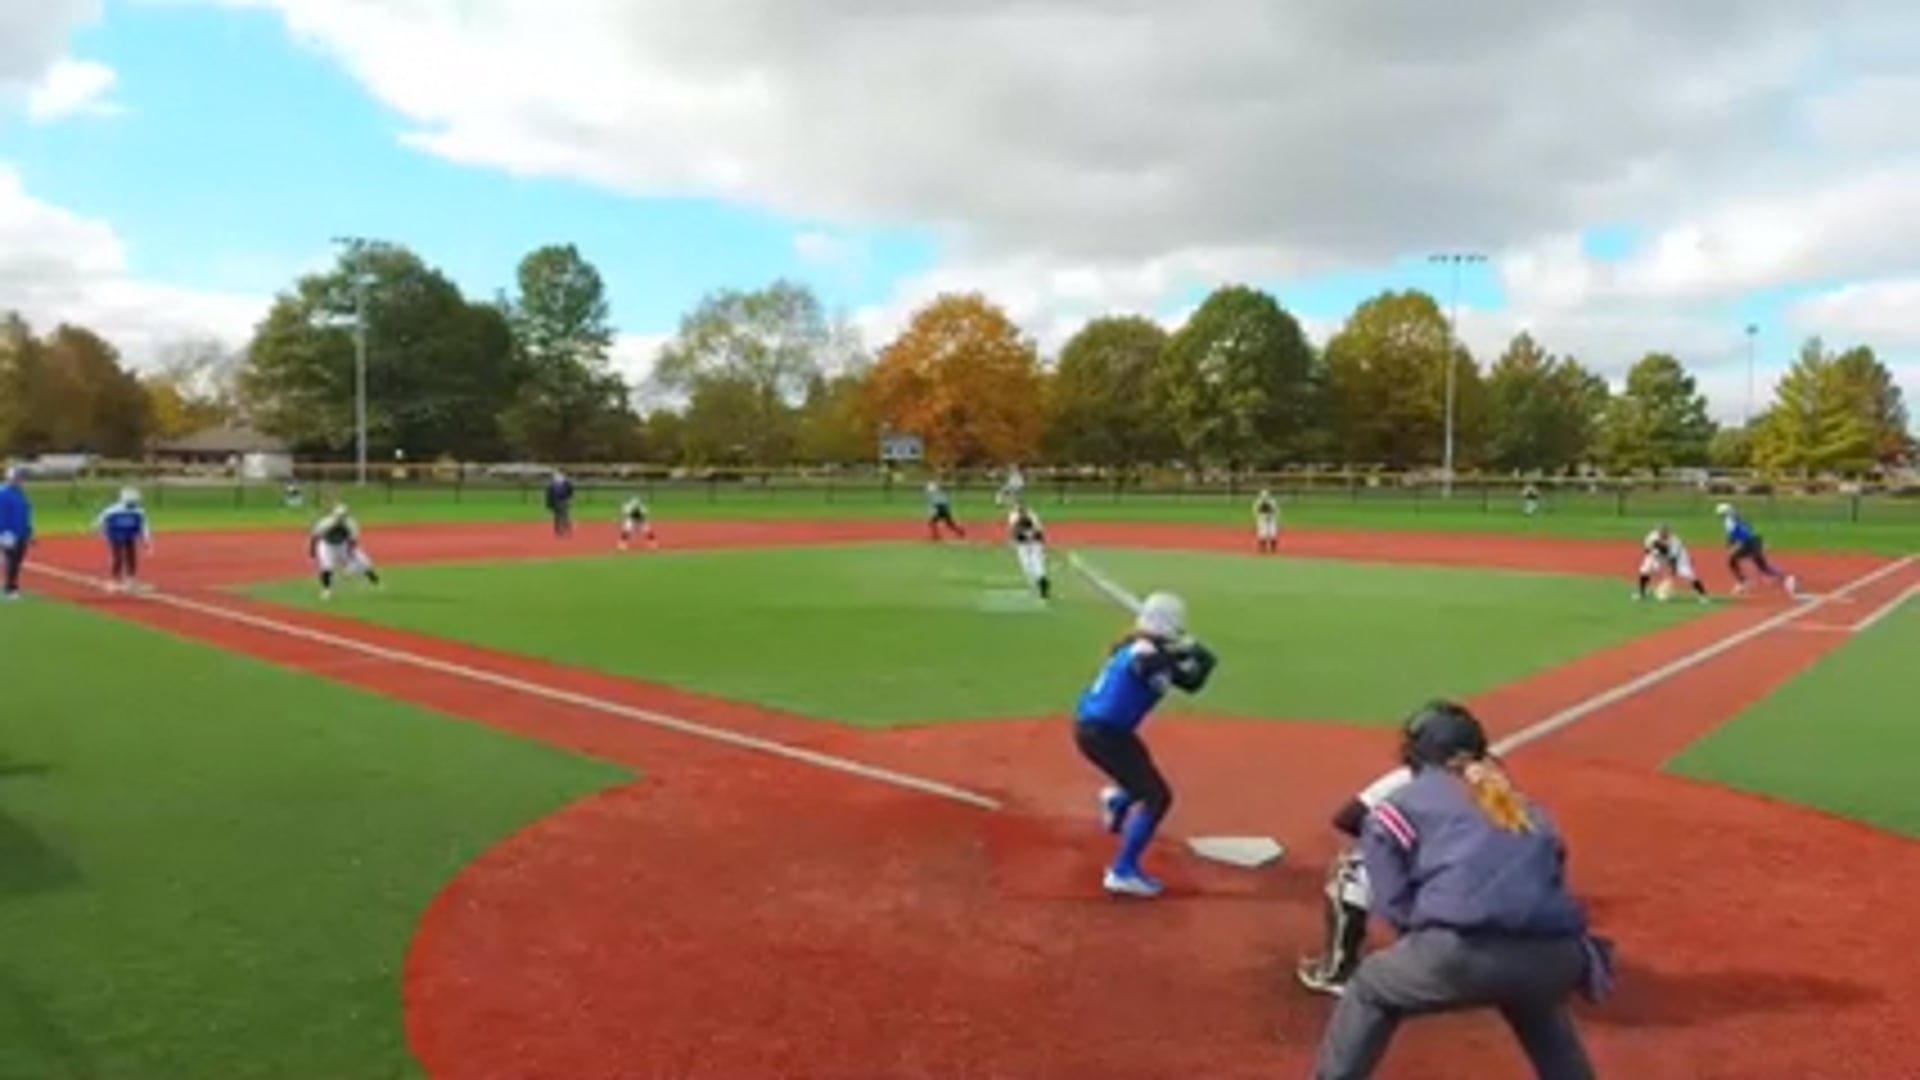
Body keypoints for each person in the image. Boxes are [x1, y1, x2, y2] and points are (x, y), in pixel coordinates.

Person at [1309, 700, 1615, 1080]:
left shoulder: (1402, 802)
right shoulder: (1522, 806)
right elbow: (1552, 877)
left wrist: (1425, 944)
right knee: (1535, 1000)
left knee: (1369, 987)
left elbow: (1393, 902)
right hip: (1559, 959)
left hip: (1460, 957)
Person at [1073, 592, 1218, 897]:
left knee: (1144, 779)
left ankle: (1117, 802)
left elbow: (1189, 684)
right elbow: (1145, 665)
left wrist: (1204, 662)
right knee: (1158, 797)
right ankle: (1122, 872)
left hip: (1107, 732)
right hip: (1102, 734)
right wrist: (1182, 652)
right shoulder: (1143, 650)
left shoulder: (1146, 648)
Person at [1296, 766, 1413, 997]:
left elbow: (1348, 818)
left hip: (1432, 875)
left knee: (1349, 870)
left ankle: (1337, 972)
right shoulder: (1481, 778)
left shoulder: (1409, 777)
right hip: (1474, 875)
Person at [1716, 503, 1797, 597]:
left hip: (1748, 544)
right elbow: (1747, 530)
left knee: (1732, 561)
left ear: (1724, 513)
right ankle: (1787, 578)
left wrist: (1735, 547)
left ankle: (1743, 583)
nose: (1721, 517)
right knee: (1762, 567)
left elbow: (1742, 537)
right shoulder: (1738, 517)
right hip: (1755, 542)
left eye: (1721, 515)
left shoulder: (1729, 521)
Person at [309, 503, 382, 600]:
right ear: (334, 515)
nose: (341, 519)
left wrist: (350, 553)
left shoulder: (351, 524)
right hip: (327, 546)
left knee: (364, 562)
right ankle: (326, 590)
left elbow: (353, 541)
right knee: (327, 567)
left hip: (343, 545)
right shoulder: (325, 523)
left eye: (343, 516)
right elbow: (314, 538)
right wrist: (312, 553)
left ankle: (375, 582)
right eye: (339, 516)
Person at [93, 487, 154, 593]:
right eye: (133, 501)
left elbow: (144, 527)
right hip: (116, 536)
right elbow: (98, 521)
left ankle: (130, 580)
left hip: (130, 536)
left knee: (131, 557)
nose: (135, 503)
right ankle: (114, 581)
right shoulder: (112, 510)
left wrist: (146, 541)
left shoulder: (139, 512)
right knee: (118, 557)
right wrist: (101, 532)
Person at [1636, 523, 1709, 603]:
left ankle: (1703, 595)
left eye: (1665, 534)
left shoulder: (1675, 542)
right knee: (1645, 570)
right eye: (1661, 534)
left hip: (1680, 558)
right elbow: (1646, 550)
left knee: (1688, 575)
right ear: (1658, 533)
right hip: (1656, 555)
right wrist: (1654, 553)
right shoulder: (1651, 537)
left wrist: (1669, 578)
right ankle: (1641, 593)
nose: (1663, 536)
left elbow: (1673, 562)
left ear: (1668, 534)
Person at [1007, 499, 1050, 599]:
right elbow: (1014, 530)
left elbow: (1038, 531)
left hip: (1032, 543)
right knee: (1030, 565)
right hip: (1024, 543)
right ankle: (1040, 581)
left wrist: (1041, 543)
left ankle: (1040, 581)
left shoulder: (1031, 516)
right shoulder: (1013, 516)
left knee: (1034, 563)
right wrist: (1014, 540)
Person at [0, 466, 31, 601]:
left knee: (17, 561)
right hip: (8, 534)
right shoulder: (3, 493)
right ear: (10, 478)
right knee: (11, 561)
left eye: (21, 478)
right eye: (18, 478)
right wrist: (3, 533)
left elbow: (25, 514)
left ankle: (13, 586)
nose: (21, 480)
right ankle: (9, 589)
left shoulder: (20, 494)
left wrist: (29, 531)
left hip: (21, 533)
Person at [545, 471, 576, 538]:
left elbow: (570, 492)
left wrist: (570, 500)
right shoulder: (552, 485)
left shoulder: (566, 484)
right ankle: (559, 532)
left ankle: (565, 530)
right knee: (557, 517)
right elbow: (549, 496)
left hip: (564, 501)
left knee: (564, 516)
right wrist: (549, 505)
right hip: (556, 502)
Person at [1253, 488, 1281, 553]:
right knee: (1262, 534)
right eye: (1263, 496)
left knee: (1273, 533)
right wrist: (1260, 517)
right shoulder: (1258, 502)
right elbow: (1255, 511)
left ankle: (1273, 548)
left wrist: (1275, 518)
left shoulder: (1272, 502)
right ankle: (1263, 548)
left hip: (1272, 519)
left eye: (1266, 496)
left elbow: (1277, 510)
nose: (1264, 498)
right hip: (1262, 519)